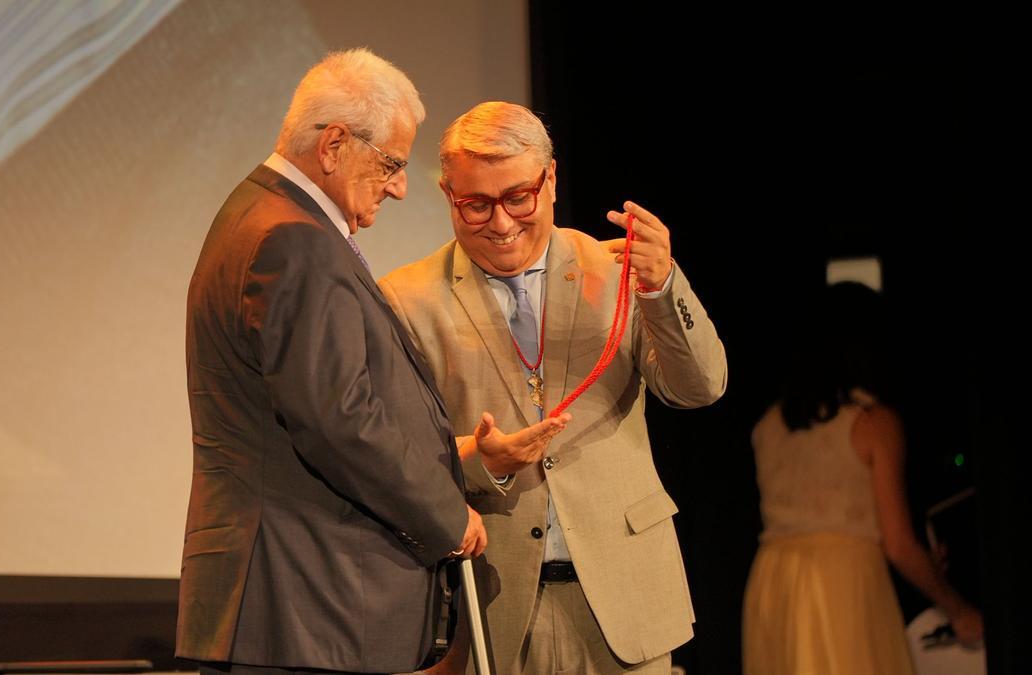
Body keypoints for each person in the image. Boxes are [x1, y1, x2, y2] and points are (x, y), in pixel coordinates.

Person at [175, 53, 567, 674]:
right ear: (334, 144)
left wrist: (455, 454)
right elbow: (338, 419)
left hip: (290, 604)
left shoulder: (257, 215)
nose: (399, 186)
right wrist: (446, 516)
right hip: (306, 603)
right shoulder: (294, 238)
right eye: (390, 162)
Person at [379, 101, 727, 674]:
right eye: (476, 204)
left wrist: (663, 286)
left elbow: (700, 388)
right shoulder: (407, 299)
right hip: (497, 605)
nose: (501, 222)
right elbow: (393, 454)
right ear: (447, 194)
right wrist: (477, 461)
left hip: (627, 597)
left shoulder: (616, 271)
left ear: (552, 179)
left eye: (519, 196)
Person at [742, 281, 984, 675]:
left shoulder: (769, 423)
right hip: (840, 581)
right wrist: (958, 609)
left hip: (773, 580)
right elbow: (899, 544)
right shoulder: (873, 421)